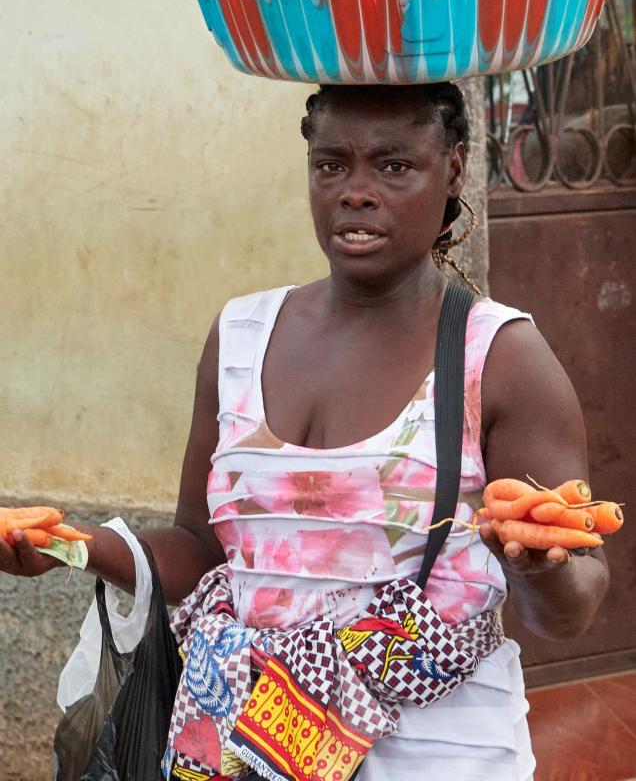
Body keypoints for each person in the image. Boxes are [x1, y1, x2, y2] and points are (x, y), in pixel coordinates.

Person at [1, 82, 608, 780]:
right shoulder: (240, 336)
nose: (355, 191)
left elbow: (575, 606)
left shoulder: (498, 357)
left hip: (438, 753)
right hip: (245, 742)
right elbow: (202, 549)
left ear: (454, 171)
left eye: (394, 166)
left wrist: (538, 566)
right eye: (331, 165)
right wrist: (69, 548)